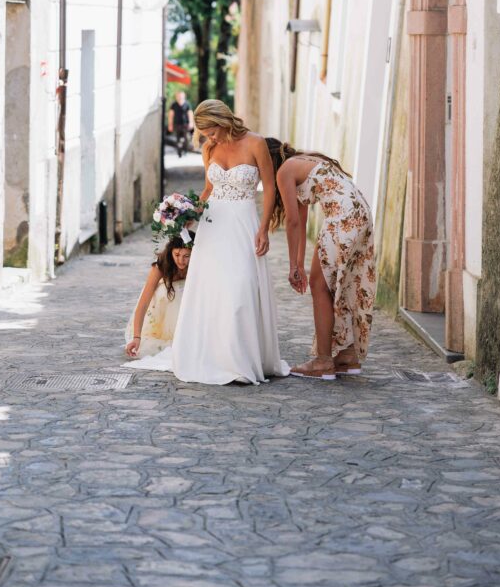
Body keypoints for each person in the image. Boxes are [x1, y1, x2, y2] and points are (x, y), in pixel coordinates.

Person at [129, 100, 289, 384]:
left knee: (240, 288)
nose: (209, 139)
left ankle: (240, 361)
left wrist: (264, 229)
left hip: (242, 223)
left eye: (211, 131)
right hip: (212, 226)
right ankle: (214, 356)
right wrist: (187, 215)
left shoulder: (256, 143)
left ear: (223, 120)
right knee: (213, 291)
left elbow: (270, 189)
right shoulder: (209, 149)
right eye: (205, 135)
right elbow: (208, 189)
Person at [266, 138, 376, 381]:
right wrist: (298, 263)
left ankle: (323, 361)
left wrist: (295, 267)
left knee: (319, 285)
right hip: (361, 213)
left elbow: (293, 223)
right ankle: (347, 355)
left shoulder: (284, 172)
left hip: (342, 217)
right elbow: (301, 220)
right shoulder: (305, 161)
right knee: (343, 283)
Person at [124, 237, 192, 359]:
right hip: (162, 309)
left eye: (186, 256)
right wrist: (136, 337)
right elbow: (144, 302)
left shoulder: (197, 265)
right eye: (177, 255)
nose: (181, 260)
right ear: (171, 251)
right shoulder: (161, 266)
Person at [168, 91, 194, 157]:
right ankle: (179, 151)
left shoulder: (187, 104)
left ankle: (185, 150)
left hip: (185, 125)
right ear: (176, 97)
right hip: (176, 124)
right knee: (178, 139)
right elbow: (171, 115)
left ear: (184, 97)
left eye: (181, 96)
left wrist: (191, 123)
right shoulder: (174, 105)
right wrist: (170, 125)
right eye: (178, 96)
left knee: (187, 139)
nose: (180, 97)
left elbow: (190, 114)